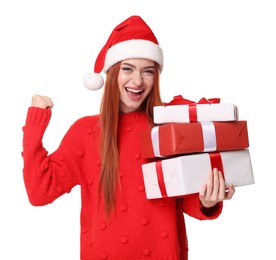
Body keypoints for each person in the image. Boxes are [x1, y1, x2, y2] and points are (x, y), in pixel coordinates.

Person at [22, 15, 235, 260]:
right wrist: (35, 125)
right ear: (112, 73)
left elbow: (187, 201)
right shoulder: (85, 132)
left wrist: (207, 200)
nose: (137, 81)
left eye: (147, 72)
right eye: (127, 69)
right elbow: (39, 192)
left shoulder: (170, 125)